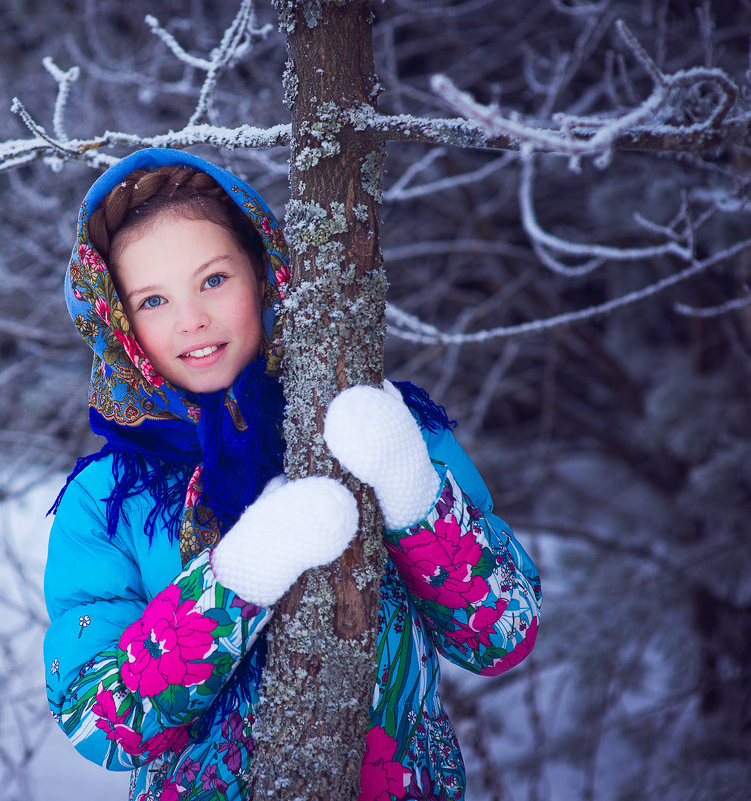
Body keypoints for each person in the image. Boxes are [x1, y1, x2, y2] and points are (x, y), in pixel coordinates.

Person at [43, 148, 540, 801]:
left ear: (262, 271)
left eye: (213, 279)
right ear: (120, 321)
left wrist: (415, 494)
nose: (191, 318)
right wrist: (236, 581)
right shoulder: (105, 500)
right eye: (154, 299)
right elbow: (100, 725)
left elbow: (502, 634)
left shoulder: (382, 424)